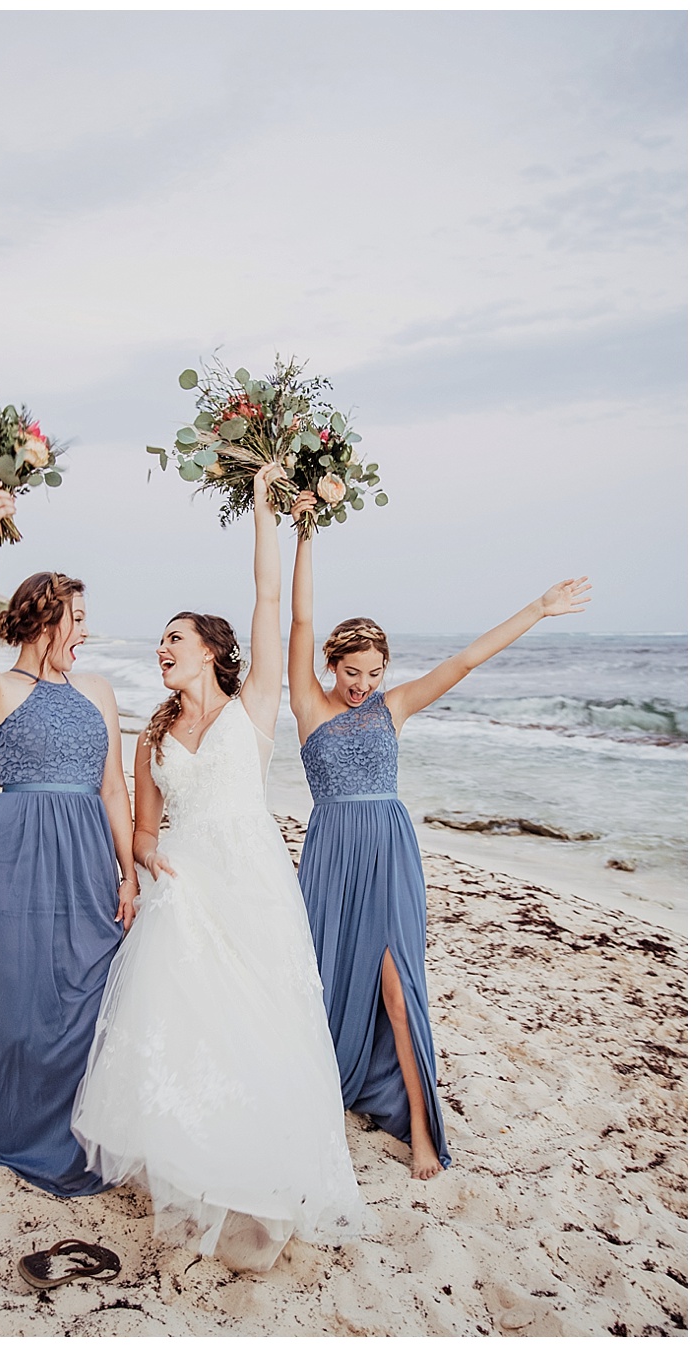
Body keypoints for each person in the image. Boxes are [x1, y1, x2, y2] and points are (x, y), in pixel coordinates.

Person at [70, 465, 368, 1271]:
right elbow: (139, 830)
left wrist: (268, 510)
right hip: (183, 892)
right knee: (187, 1035)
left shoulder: (255, 706)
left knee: (263, 1026)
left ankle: (262, 1175)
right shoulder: (151, 736)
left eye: (174, 638)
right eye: (161, 641)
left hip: (254, 887)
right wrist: (149, 857)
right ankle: (196, 1173)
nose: (161, 649)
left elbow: (273, 603)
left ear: (209, 650)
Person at [290, 494, 591, 1179]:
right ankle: (312, 1102)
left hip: (390, 852)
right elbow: (301, 617)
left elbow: (465, 661)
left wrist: (539, 607)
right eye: (351, 672)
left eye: (374, 673)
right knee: (319, 981)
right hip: (333, 853)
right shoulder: (307, 704)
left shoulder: (394, 707)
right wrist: (305, 529)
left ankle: (421, 1130)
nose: (363, 685)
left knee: (399, 991)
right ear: (332, 665)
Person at [0, 482, 136, 1197]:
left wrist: (128, 873)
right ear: (43, 618)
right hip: (15, 853)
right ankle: (7, 1116)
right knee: (15, 991)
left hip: (88, 855)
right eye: (76, 618)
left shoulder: (102, 692)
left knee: (89, 992)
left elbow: (114, 786)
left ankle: (77, 1122)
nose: (85, 630)